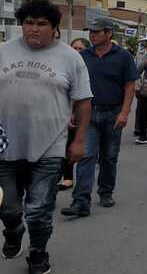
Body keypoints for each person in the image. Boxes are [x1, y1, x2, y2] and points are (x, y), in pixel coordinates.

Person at [0, 0, 92, 273]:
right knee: (7, 207)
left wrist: (78, 141)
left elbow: (84, 101)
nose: (34, 29)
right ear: (21, 25)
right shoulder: (3, 51)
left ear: (54, 28)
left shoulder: (70, 58)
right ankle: (13, 229)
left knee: (39, 211)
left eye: (42, 24)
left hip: (50, 146)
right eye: (29, 23)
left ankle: (38, 253)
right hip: (4, 145)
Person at [62, 18, 138, 221]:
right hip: (88, 113)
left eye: (96, 31)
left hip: (113, 113)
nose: (92, 35)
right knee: (86, 155)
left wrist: (124, 112)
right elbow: (73, 86)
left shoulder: (122, 56)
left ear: (108, 33)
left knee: (109, 156)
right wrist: (71, 111)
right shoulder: (82, 56)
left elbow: (129, 86)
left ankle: (105, 192)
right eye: (91, 32)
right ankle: (80, 201)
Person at [58, 38, 91, 192]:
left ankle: (72, 179)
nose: (77, 51)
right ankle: (66, 176)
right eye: (74, 48)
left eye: (81, 48)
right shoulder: (64, 65)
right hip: (65, 112)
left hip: (87, 112)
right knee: (64, 145)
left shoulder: (88, 67)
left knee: (77, 146)